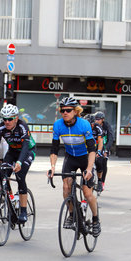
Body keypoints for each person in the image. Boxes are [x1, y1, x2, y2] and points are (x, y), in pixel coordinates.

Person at [47, 97, 101, 235]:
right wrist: (52, 167)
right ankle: (72, 215)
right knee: (66, 188)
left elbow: (92, 150)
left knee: (88, 193)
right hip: (70, 157)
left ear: (76, 111)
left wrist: (89, 169)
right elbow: (54, 149)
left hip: (85, 158)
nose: (65, 113)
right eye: (62, 110)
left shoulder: (84, 125)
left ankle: (95, 220)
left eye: (68, 110)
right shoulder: (58, 125)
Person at [0, 103, 36, 224]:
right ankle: (11, 202)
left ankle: (23, 210)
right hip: (12, 152)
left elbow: (26, 146)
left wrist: (19, 162)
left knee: (20, 175)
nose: (7, 122)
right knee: (3, 175)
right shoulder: (0, 128)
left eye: (10, 119)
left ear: (16, 118)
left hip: (26, 152)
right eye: (4, 119)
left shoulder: (22, 126)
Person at [94, 111, 114, 192]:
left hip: (104, 145)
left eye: (98, 119)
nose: (96, 121)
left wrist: (107, 149)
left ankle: (102, 182)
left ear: (102, 120)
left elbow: (111, 138)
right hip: (96, 144)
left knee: (103, 162)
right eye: (95, 119)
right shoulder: (94, 126)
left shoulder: (106, 126)